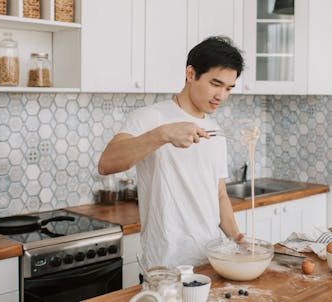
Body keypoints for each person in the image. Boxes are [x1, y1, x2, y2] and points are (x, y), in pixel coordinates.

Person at [98, 36, 244, 268]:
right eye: (215, 84)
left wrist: (237, 239)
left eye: (228, 88)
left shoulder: (215, 131)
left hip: (211, 261)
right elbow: (106, 163)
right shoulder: (150, 117)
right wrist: (162, 134)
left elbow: (220, 196)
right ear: (190, 74)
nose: (221, 96)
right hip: (165, 266)